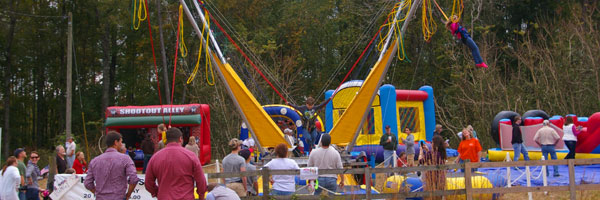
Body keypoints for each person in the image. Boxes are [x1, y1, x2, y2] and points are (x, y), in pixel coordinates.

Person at [145, 127, 207, 199]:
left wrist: (157, 192)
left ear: (166, 140)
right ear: (180, 139)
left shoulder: (155, 158)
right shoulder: (191, 156)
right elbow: (201, 181)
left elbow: (148, 183)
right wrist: (201, 195)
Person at [84, 131, 140, 200]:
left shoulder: (94, 161)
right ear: (116, 142)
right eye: (121, 142)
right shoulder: (125, 159)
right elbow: (134, 179)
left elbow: (87, 183)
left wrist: (97, 193)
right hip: (118, 197)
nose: (121, 144)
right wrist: (128, 195)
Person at [419, 135, 447, 200]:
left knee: (432, 194)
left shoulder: (430, 153)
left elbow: (421, 161)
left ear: (435, 143)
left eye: (432, 142)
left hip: (432, 178)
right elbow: (434, 158)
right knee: (440, 195)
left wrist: (421, 152)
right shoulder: (442, 153)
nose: (431, 143)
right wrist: (427, 150)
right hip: (441, 177)